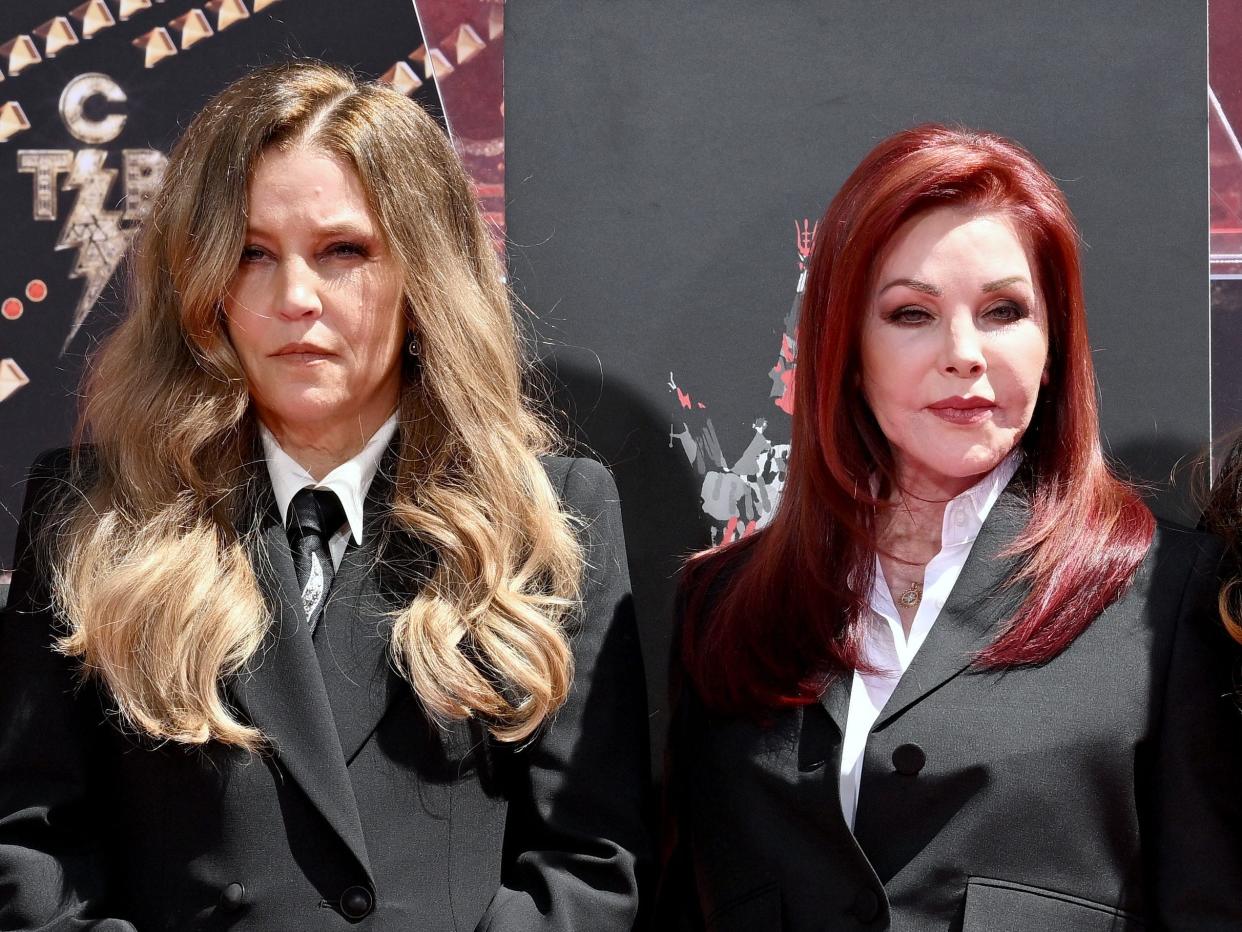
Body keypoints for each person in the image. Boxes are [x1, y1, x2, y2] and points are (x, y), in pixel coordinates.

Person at [0, 60, 649, 930]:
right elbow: (32, 853)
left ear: (424, 277)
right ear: (205, 287)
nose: (294, 299)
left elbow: (588, 866)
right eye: (251, 254)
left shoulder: (543, 515)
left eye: (343, 252)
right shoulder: (92, 512)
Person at [660, 124, 1242, 930]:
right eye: (911, 313)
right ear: (847, 349)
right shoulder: (722, 602)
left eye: (1004, 311)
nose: (963, 353)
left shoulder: (1169, 599)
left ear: (1053, 345)